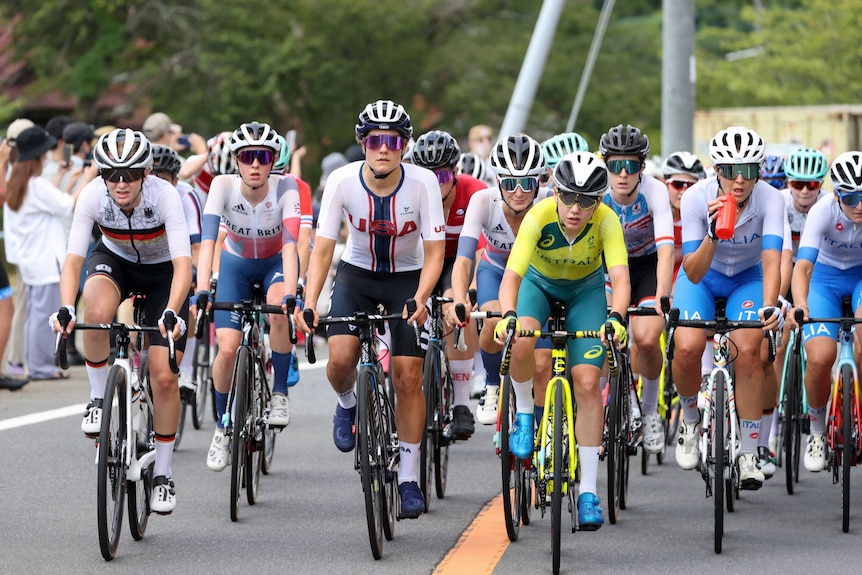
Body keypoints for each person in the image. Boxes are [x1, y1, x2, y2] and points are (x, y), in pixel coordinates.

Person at [297, 100, 445, 518]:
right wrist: (310, 301)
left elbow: (435, 252)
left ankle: (409, 477)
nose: (384, 148)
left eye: (393, 141)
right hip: (357, 275)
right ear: (363, 143)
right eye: (376, 140)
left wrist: (421, 296)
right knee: (340, 359)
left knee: (407, 376)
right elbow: (323, 247)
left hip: (407, 280)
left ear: (404, 146)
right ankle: (347, 406)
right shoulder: (342, 181)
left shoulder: (423, 183)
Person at [52, 128, 191, 514]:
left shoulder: (166, 197)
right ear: (101, 175)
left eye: (129, 174)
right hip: (116, 261)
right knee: (93, 313)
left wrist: (172, 309)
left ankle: (162, 474)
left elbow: (183, 264)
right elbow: (74, 261)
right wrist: (65, 306)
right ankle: (98, 397)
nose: (120, 183)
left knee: (163, 375)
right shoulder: (93, 196)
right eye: (111, 174)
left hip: (164, 273)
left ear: (145, 173)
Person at [494, 151, 630, 529]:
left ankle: (588, 490)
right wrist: (508, 316)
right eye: (568, 196)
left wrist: (616, 318)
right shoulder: (538, 216)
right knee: (522, 341)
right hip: (538, 286)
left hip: (585, 293)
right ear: (554, 191)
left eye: (586, 200)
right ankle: (524, 416)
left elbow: (620, 279)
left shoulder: (607, 221)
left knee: (587, 381)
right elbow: (512, 278)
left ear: (599, 201)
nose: (575, 208)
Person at [672, 126, 783, 491]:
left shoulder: (771, 199)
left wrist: (769, 306)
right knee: (687, 347)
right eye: (731, 170)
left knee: (750, 350)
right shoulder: (693, 198)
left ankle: (749, 453)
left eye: (749, 170)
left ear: (759, 172)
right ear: (715, 170)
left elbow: (770, 260)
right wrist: (712, 232)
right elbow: (691, 270)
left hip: (747, 279)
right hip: (702, 278)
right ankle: (689, 423)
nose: (739, 180)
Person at [193, 121, 301, 471]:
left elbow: (290, 246)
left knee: (278, 313)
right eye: (247, 157)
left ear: (272, 161)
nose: (255, 164)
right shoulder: (222, 186)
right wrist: (202, 288)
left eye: (262, 157)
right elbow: (208, 241)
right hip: (236, 266)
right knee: (226, 350)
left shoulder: (287, 188)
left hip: (274, 264)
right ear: (236, 161)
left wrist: (290, 293)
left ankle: (280, 393)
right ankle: (223, 427)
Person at [450, 134, 547, 427]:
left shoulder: (550, 202)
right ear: (497, 181)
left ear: (539, 183)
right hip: (494, 269)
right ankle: (492, 382)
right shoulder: (483, 201)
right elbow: (465, 258)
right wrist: (458, 297)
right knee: (493, 321)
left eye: (527, 183)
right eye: (509, 183)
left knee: (540, 354)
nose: (518, 192)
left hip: (534, 275)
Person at [599, 124, 674, 454]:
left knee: (645, 337)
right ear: (606, 166)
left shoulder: (655, 192)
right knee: (600, 335)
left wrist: (663, 295)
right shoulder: (597, 189)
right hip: (605, 267)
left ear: (642, 168)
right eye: (615, 165)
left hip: (646, 266)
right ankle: (609, 410)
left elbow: (667, 248)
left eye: (631, 166)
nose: (623, 174)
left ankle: (649, 412)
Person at [412, 129, 487, 440]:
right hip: (418, 261)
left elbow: (481, 251)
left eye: (442, 173)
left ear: (456, 172)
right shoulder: (409, 191)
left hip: (458, 261)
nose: (435, 181)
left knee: (458, 310)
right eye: (428, 174)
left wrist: (468, 292)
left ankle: (459, 403)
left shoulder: (474, 192)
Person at [791, 151, 862, 473]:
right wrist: (802, 304)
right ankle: (817, 430)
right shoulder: (822, 210)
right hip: (824, 281)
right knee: (819, 357)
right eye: (850, 197)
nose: (859, 204)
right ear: (836, 194)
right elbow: (803, 266)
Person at [4, 126, 83, 381]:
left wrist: (66, 180)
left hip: (31, 260)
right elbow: (67, 205)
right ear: (38, 156)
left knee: (34, 317)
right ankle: (40, 367)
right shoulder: (35, 185)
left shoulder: (17, 182)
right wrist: (90, 175)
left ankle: (35, 363)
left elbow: (54, 200)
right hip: (46, 261)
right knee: (43, 317)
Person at [150, 144, 203, 399]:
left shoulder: (186, 195)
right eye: (153, 177)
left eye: (164, 178)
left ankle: (188, 369)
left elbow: (196, 246)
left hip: (178, 257)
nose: (157, 184)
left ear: (175, 178)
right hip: (147, 259)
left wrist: (196, 275)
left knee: (189, 293)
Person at [661, 151, 706, 281]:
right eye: (678, 184)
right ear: (666, 184)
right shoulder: (653, 214)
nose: (684, 191)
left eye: (691, 186)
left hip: (687, 273)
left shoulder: (704, 215)